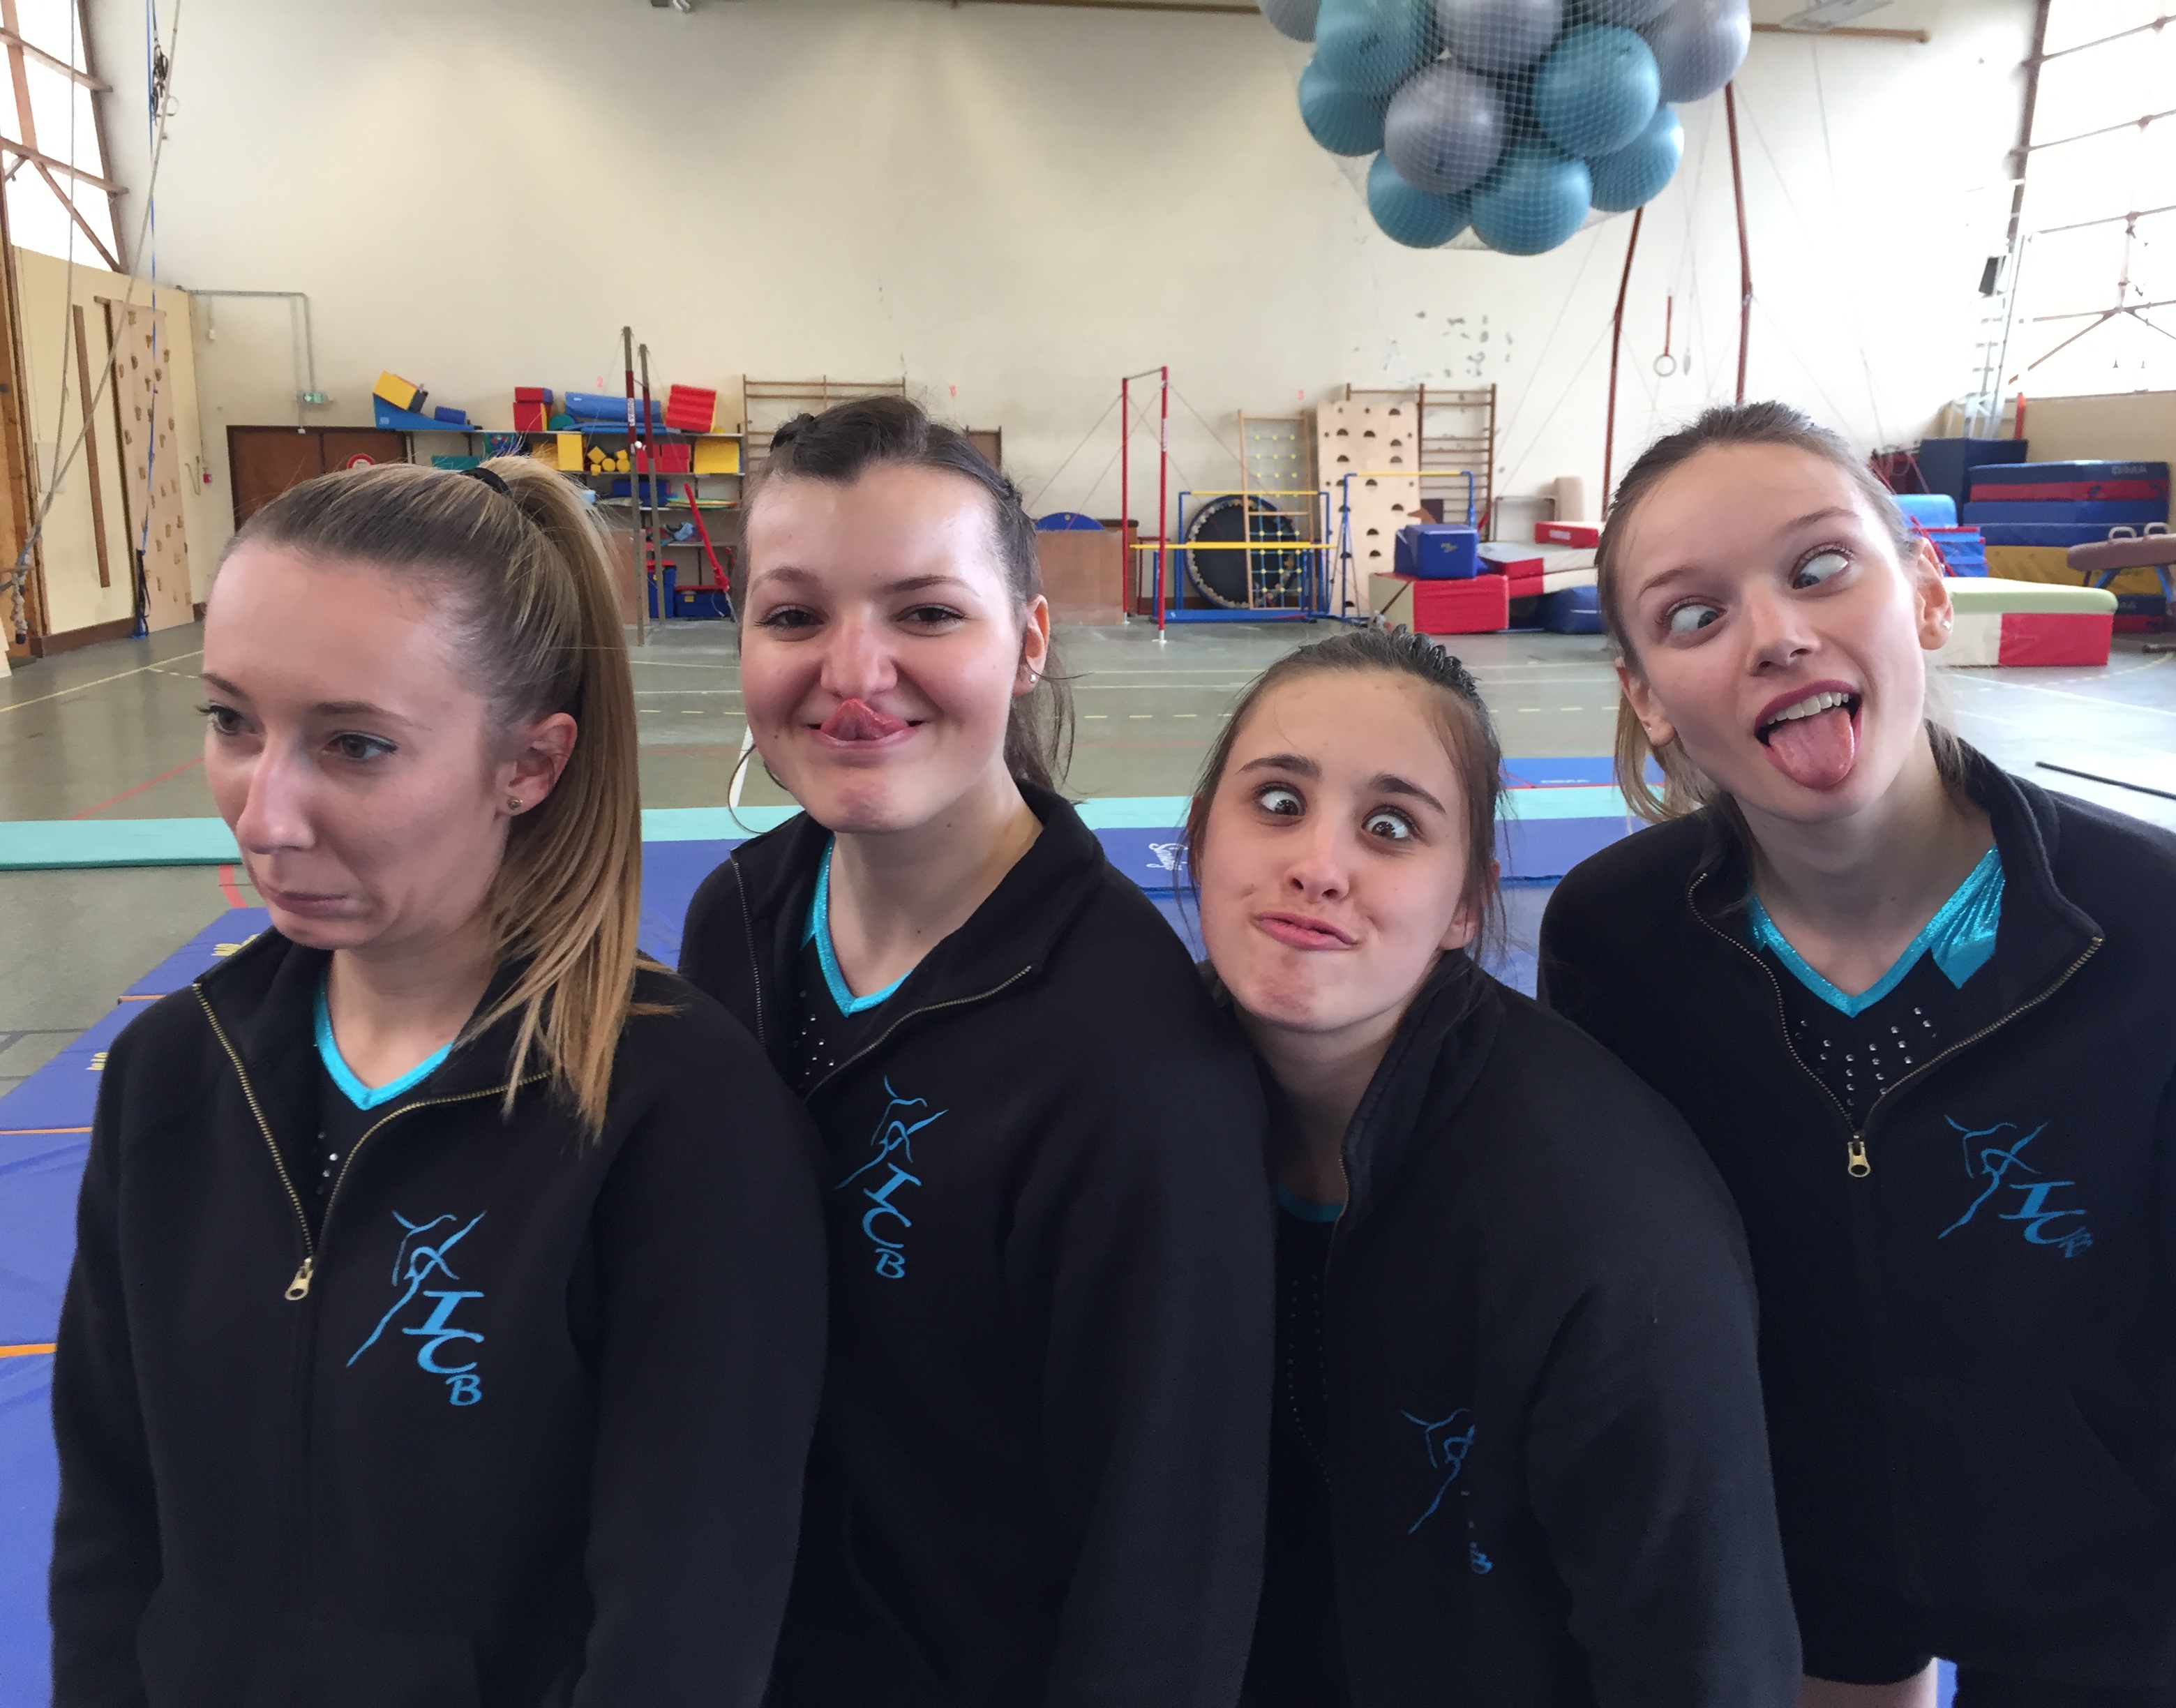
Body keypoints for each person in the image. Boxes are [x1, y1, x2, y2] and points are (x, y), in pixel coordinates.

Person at [50, 460, 827, 1707]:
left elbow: (682, 1623)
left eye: (355, 745)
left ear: (530, 763)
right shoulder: (174, 1074)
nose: (266, 814)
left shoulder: (678, 1116)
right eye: (232, 722)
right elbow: (108, 1528)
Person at [1538, 402, 2176, 1708]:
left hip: (2104, 1592)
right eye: (1695, 615)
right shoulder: (1620, 943)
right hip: (1800, 1566)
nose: (1777, 633)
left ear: (1928, 596)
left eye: (1821, 565)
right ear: (1647, 697)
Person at [677, 397, 1273, 1708]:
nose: (852, 671)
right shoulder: (738, 923)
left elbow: (1170, 1548)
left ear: (1030, 641)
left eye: (927, 613)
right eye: (793, 615)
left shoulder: (1131, 1054)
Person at [1184, 625, 1801, 1708]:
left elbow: (1700, 1649)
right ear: (1199, 841)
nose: (1317, 866)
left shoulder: (1602, 1225)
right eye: (1278, 802)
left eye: (1390, 828)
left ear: (1466, 905)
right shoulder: (1136, 1110)